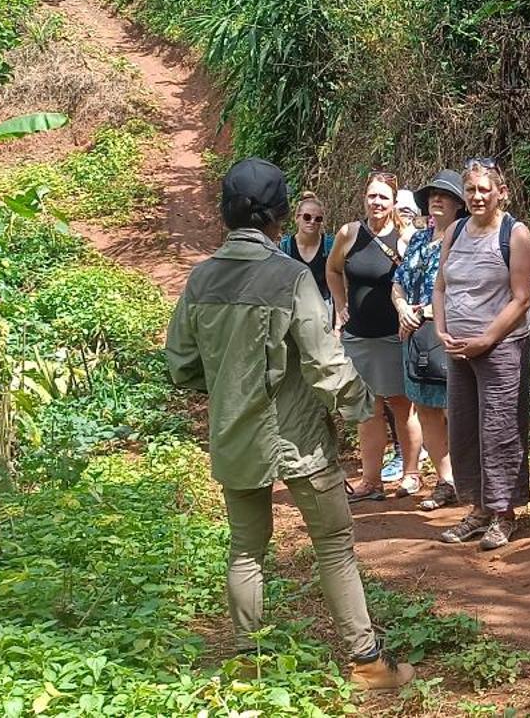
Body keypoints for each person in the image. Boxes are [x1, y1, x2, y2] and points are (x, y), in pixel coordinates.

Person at [163, 158, 415, 692]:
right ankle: (368, 663)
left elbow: (182, 365)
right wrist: (360, 405)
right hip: (298, 433)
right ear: (279, 217)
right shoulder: (290, 277)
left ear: (226, 213)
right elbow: (325, 363)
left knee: (245, 550)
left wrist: (229, 383)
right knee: (333, 543)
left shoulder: (202, 277)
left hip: (235, 432)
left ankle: (247, 666)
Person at [433, 158, 530, 551]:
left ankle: (504, 513)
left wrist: (486, 340)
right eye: (471, 190)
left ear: (501, 193)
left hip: (501, 347)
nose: (477, 197)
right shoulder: (456, 231)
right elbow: (441, 285)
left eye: (484, 190)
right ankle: (477, 509)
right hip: (458, 348)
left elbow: (521, 298)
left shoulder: (516, 234)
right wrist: (441, 329)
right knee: (464, 428)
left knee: (500, 430)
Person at [327, 171, 422, 500]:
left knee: (401, 405)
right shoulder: (348, 233)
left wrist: (411, 313)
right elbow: (333, 269)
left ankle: (411, 474)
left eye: (383, 196)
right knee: (367, 411)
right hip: (358, 337)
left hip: (393, 336)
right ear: (364, 198)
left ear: (394, 201)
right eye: (372, 196)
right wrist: (340, 305)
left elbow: (421, 280)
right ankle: (371, 482)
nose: (377, 202)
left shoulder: (407, 237)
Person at [395, 169, 466, 511]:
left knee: (458, 408)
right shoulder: (420, 239)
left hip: (449, 333)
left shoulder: (465, 238)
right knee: (425, 407)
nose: (437, 199)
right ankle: (446, 479)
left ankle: (470, 478)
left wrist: (425, 314)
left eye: (446, 195)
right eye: (432, 194)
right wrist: (401, 308)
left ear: (458, 204)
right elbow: (398, 281)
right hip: (415, 336)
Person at [279, 191, 334, 307]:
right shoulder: (285, 247)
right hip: (293, 306)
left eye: (318, 219)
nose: (312, 222)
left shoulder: (329, 245)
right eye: (307, 217)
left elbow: (337, 278)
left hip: (322, 306)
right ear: (297, 218)